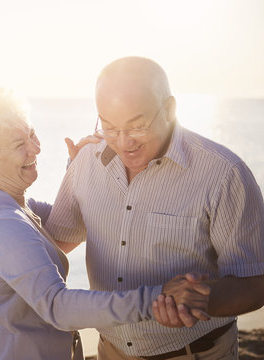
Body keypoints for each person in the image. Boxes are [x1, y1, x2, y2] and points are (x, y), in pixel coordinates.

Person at [0, 88, 211, 360]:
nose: (36, 149)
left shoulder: (2, 202)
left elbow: (70, 222)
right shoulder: (1, 223)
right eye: (19, 146)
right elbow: (58, 306)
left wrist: (80, 170)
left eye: (32, 134)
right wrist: (159, 297)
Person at [46, 56, 264, 359]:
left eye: (137, 126)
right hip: (110, 352)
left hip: (194, 353)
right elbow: (57, 239)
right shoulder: (85, 163)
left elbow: (255, 281)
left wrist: (202, 299)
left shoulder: (224, 174)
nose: (124, 143)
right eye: (109, 126)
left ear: (170, 109)